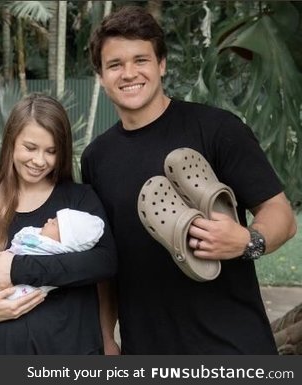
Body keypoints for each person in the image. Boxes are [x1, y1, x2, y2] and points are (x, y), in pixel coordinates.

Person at [81, 5, 297, 354]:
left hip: (233, 347)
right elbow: (108, 262)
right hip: (148, 349)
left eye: (141, 60)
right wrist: (106, 337)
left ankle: (211, 209)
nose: (129, 73)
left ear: (162, 65)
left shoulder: (217, 129)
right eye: (115, 65)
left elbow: (281, 216)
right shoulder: (96, 158)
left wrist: (247, 241)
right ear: (101, 76)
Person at [0, 93, 117, 354]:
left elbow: (104, 262)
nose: (40, 161)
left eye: (51, 151)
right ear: (11, 143)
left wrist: (18, 269)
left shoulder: (79, 200)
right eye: (30, 148)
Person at [0, 208, 104, 300]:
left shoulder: (54, 253)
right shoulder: (38, 237)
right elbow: (21, 239)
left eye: (55, 223)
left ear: (64, 239)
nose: (49, 220)